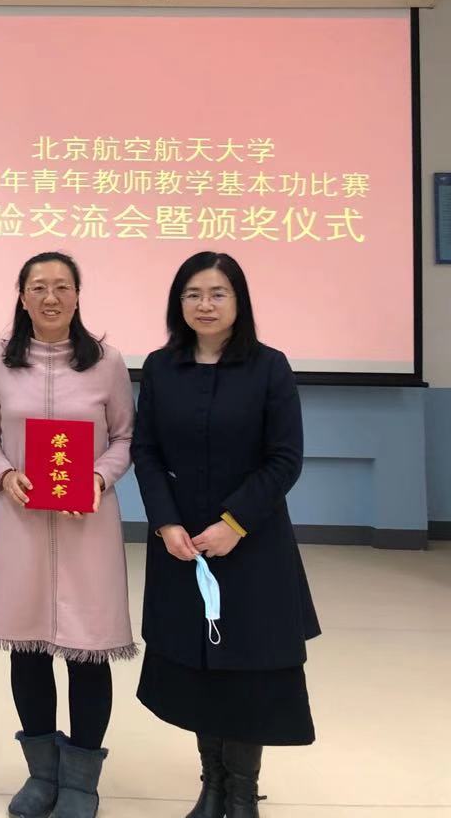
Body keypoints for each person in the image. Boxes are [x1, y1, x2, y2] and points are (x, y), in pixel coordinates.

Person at [132, 252, 319, 818]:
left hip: (252, 542)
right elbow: (146, 451)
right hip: (182, 543)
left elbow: (285, 459)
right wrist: (166, 522)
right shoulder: (162, 367)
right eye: (192, 294)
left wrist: (234, 524)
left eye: (218, 294)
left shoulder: (269, 366)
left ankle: (241, 792)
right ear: (178, 303)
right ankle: (211, 786)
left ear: (239, 301)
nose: (205, 305)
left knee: (246, 668)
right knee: (197, 667)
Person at [0, 252, 135, 818]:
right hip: (21, 523)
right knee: (28, 648)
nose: (50, 297)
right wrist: (4, 474)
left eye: (62, 286)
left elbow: (124, 438)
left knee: (88, 651)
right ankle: (42, 775)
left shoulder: (107, 362)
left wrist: (98, 478)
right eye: (38, 287)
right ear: (21, 296)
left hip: (89, 524)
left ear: (77, 295)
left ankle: (82, 783)